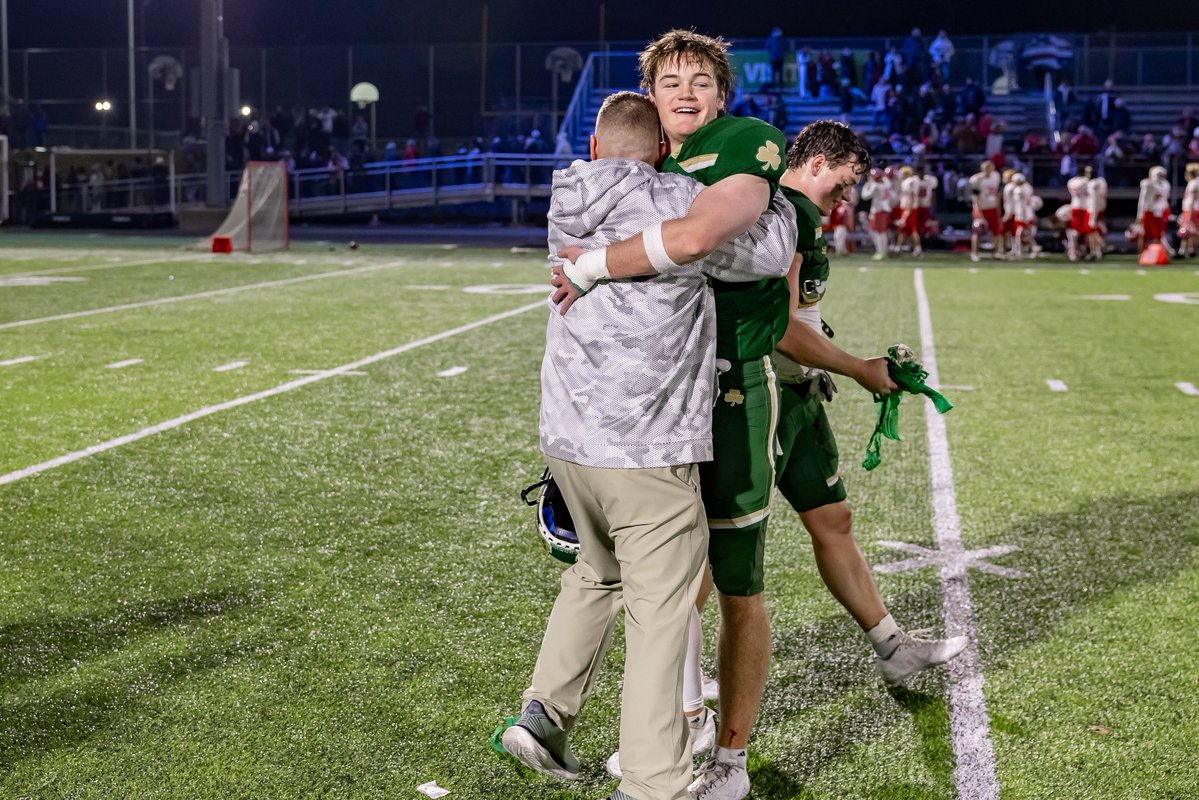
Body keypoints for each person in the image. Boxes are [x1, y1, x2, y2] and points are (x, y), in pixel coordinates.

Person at [503, 90, 794, 800]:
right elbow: (766, 250)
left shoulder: (566, 196)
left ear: (596, 148)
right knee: (661, 616)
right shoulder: (675, 204)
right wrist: (773, 193)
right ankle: (654, 782)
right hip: (646, 447)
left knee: (595, 576)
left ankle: (543, 715)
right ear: (661, 149)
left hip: (570, 442)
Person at [773, 119, 968, 698]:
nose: (848, 196)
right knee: (717, 553)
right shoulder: (782, 215)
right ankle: (677, 699)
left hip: (801, 394)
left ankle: (892, 647)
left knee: (834, 519)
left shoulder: (800, 215)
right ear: (816, 163)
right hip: (764, 397)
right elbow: (779, 328)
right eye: (845, 181)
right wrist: (859, 367)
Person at [968, 159, 1003, 262]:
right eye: (986, 168)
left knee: (996, 232)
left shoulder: (996, 176)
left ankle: (997, 252)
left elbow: (997, 195)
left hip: (993, 207)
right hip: (981, 208)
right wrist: (977, 210)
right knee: (977, 232)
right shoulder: (977, 179)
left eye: (990, 168)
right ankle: (974, 253)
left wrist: (999, 210)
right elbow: (975, 197)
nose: (988, 170)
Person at [859, 167, 894, 259]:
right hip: (885, 209)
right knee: (882, 232)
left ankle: (880, 251)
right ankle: (883, 251)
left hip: (878, 210)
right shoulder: (886, 184)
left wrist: (867, 185)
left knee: (877, 232)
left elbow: (864, 196)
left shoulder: (875, 185)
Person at [1085, 169, 1109, 261]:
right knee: (1092, 232)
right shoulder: (1102, 181)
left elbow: (1094, 200)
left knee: (1092, 230)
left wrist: (1093, 216)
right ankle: (1095, 251)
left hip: (1093, 209)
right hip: (1100, 208)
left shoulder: (1093, 184)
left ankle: (1103, 246)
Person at [1179, 163, 1199, 258]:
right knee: (1191, 231)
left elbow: (1193, 199)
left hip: (1192, 210)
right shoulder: (1195, 182)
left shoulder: (1193, 183)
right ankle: (1190, 250)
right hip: (1193, 209)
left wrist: (1190, 213)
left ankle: (1185, 250)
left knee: (1188, 230)